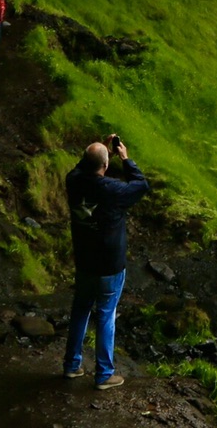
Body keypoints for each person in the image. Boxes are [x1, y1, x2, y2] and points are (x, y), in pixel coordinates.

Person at [63, 137, 151, 389]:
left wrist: (99, 151)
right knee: (105, 314)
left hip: (84, 259)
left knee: (80, 310)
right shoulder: (113, 189)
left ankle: (71, 365)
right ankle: (103, 374)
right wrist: (125, 158)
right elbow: (141, 185)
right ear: (105, 164)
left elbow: (83, 167)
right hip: (109, 264)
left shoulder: (73, 180)